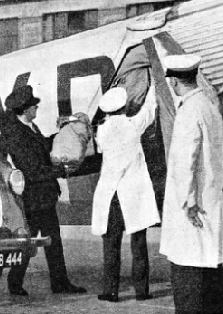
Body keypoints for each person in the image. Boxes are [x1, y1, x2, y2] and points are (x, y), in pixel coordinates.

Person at [0, 85, 86, 297]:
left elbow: (43, 145)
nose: (37, 107)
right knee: (30, 242)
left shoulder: (29, 126)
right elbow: (32, 170)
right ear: (24, 109)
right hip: (33, 198)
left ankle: (57, 282)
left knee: (49, 240)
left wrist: (64, 132)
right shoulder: (17, 134)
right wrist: (60, 170)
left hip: (43, 195)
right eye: (33, 105)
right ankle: (17, 283)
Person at [159, 54, 223, 314]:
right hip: (210, 199)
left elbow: (184, 161)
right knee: (210, 272)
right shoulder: (208, 106)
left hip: (193, 207)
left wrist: (188, 202)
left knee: (189, 276)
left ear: (175, 82)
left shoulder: (189, 111)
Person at [92, 85, 160, 303]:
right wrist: (153, 84)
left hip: (111, 196)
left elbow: (101, 149)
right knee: (138, 245)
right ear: (125, 106)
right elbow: (150, 109)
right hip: (132, 195)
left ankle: (111, 291)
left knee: (111, 245)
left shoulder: (101, 131)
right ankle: (142, 291)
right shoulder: (133, 125)